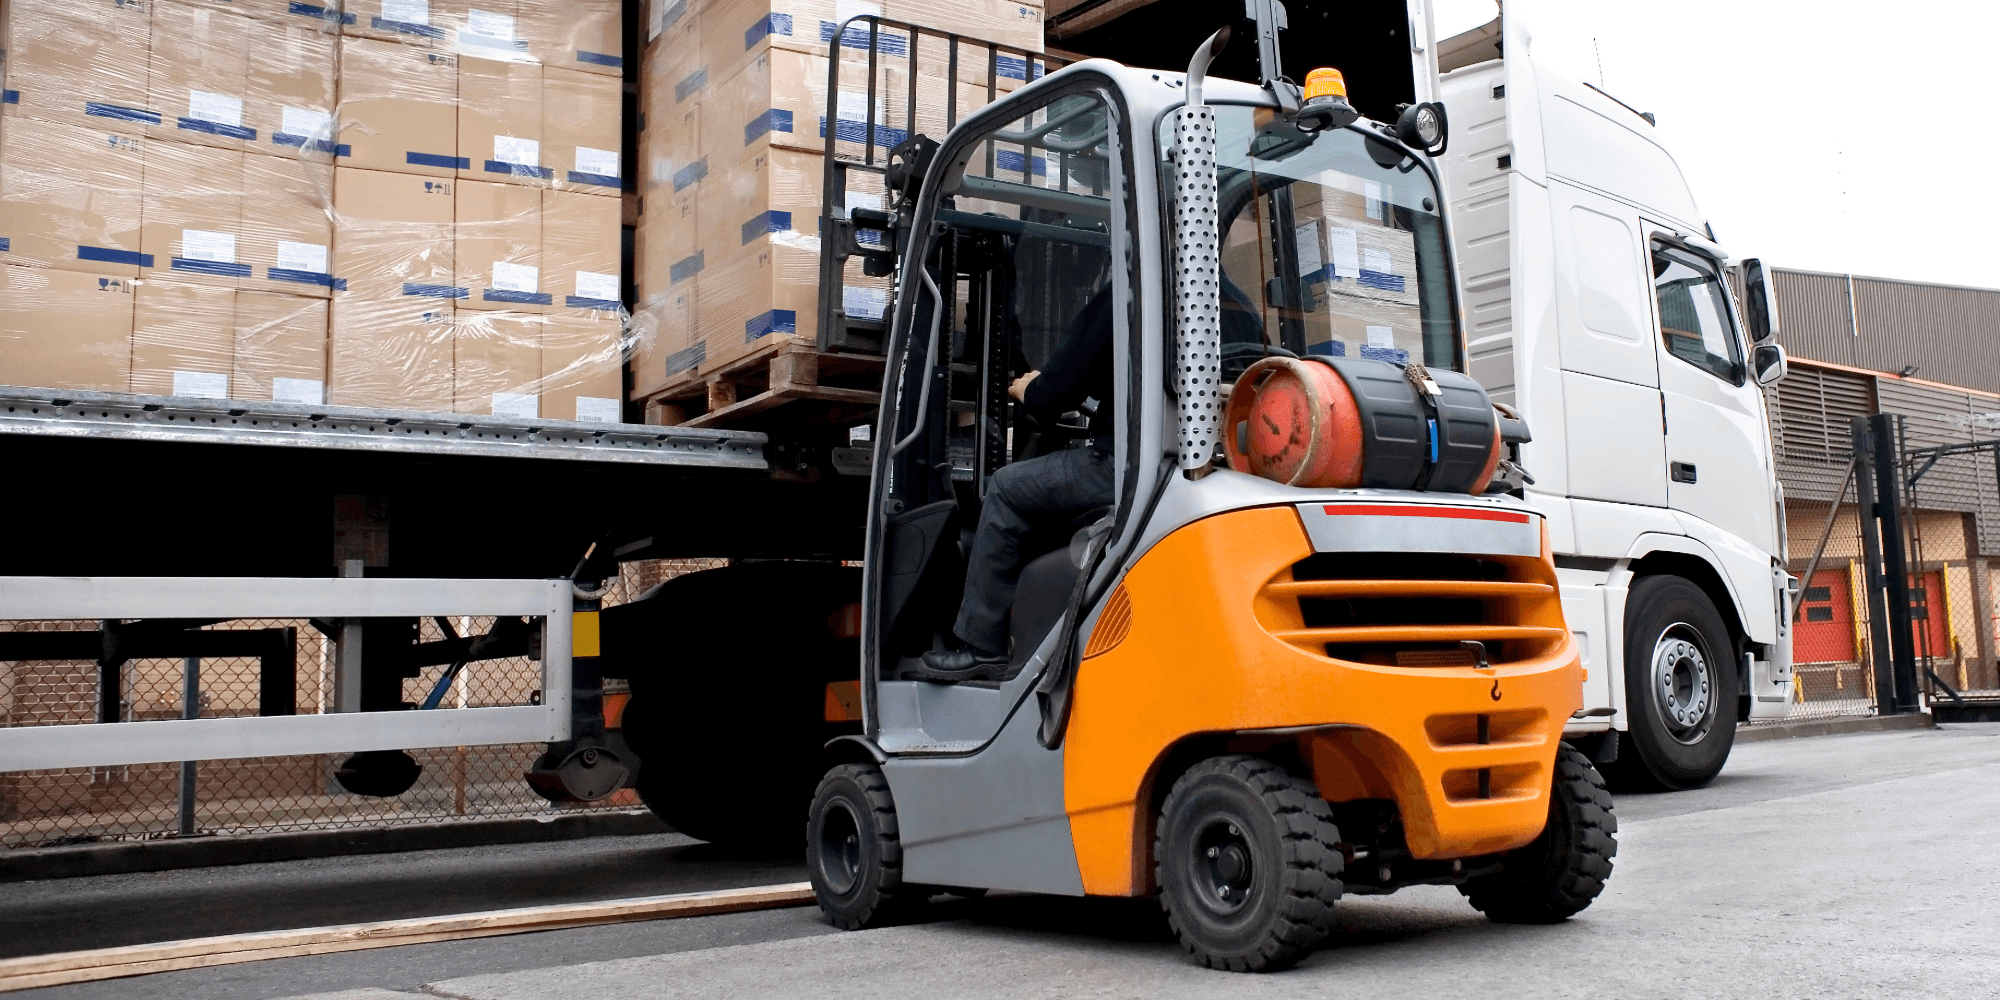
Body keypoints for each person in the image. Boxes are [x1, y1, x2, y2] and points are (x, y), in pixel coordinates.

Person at [920, 284, 1118, 680]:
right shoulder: (1221, 300)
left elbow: (1059, 389)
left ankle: (982, 646)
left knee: (1008, 487)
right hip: (1182, 464)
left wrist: (1034, 389)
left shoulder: (1130, 291)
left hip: (1118, 467)